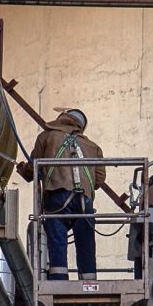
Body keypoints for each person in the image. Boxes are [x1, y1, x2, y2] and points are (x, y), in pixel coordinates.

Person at [17, 108, 105, 280]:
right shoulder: (93, 146)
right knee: (85, 242)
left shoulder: (46, 137)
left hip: (57, 196)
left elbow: (33, 167)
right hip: (84, 201)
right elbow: (99, 179)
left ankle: (59, 282)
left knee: (57, 241)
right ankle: (89, 284)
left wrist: (23, 170)